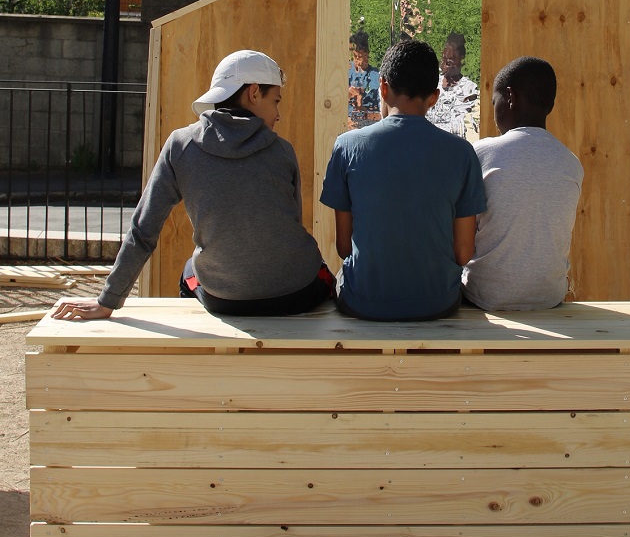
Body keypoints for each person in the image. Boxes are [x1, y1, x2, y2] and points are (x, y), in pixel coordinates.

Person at [50, 49, 334, 322]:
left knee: (191, 270)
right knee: (322, 274)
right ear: (254, 92)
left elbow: (143, 230)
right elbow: (289, 226)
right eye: (276, 101)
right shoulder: (282, 150)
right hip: (296, 293)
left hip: (223, 299)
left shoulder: (180, 145)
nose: (278, 115)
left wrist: (107, 300)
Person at [320, 39, 486, 321]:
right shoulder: (462, 153)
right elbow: (462, 253)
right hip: (438, 303)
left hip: (364, 303)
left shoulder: (347, 146)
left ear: (383, 87)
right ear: (434, 97)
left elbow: (344, 247)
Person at [462, 56, 584, 312]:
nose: (494, 110)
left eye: (494, 101)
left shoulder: (480, 153)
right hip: (549, 297)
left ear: (510, 97)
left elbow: (463, 235)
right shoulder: (571, 163)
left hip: (484, 298)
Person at [427, 32, 479, 137]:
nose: (446, 65)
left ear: (461, 59)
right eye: (444, 60)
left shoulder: (469, 88)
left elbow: (463, 124)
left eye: (450, 61)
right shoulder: (432, 83)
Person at [347, 30, 381, 129]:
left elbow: (378, 108)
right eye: (355, 56)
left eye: (360, 57)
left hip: (366, 123)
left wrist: (362, 107)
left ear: (367, 54)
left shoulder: (374, 75)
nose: (357, 60)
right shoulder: (347, 71)